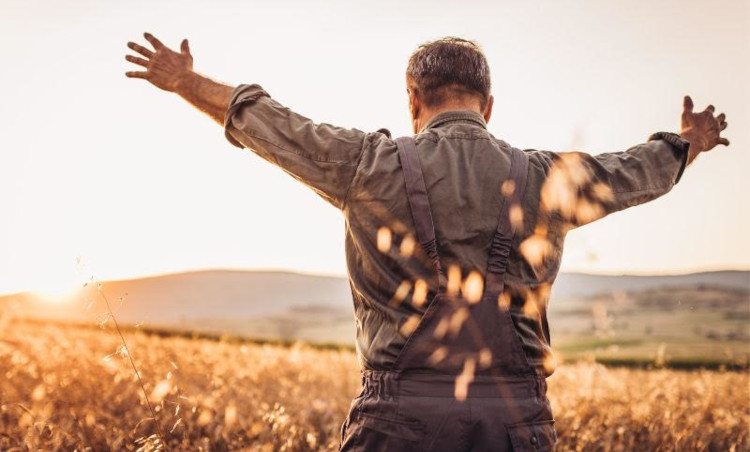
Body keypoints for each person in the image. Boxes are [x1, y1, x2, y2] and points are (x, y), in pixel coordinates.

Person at [125, 33, 730, 451]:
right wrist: (687, 143)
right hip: (514, 421)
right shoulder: (548, 178)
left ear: (412, 102)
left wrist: (185, 81)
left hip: (397, 421)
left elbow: (271, 124)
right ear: (489, 107)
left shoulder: (368, 164)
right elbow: (636, 171)